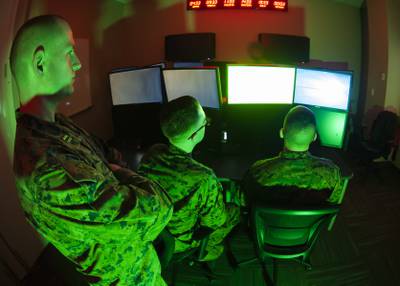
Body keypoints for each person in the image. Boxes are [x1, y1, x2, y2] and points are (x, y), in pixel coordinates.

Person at [11, 15, 172, 286]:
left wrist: (114, 168)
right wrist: (122, 173)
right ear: (39, 63)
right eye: (69, 52)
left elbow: (105, 153)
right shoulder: (48, 169)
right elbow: (157, 211)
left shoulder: (54, 126)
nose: (77, 63)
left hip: (137, 262)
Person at [138, 96, 240, 261]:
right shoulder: (204, 178)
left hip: (154, 233)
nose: (207, 124)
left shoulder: (153, 152)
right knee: (233, 211)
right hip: (180, 241)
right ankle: (206, 250)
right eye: (205, 122)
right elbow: (214, 221)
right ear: (194, 136)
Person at [243, 105, 345, 206]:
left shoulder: (257, 172)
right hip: (309, 222)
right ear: (314, 137)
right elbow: (332, 204)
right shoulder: (332, 173)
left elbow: (244, 202)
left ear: (281, 133)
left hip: (268, 222)